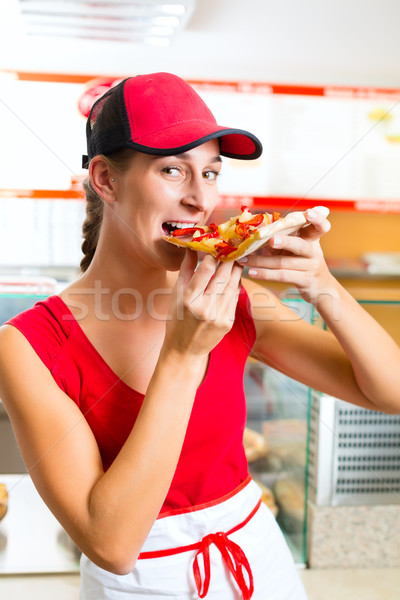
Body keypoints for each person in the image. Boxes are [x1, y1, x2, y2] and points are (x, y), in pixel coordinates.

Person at [0, 72, 399, 600]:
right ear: (106, 180)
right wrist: (183, 355)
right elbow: (112, 543)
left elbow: (388, 393)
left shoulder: (231, 295)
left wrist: (322, 286)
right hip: (139, 584)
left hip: (256, 558)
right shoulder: (26, 346)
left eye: (210, 173)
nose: (199, 199)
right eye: (172, 170)